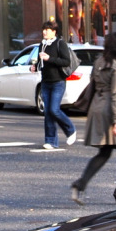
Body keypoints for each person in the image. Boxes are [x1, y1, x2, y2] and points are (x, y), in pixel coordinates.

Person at [70, 31, 116, 205]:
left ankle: (81, 184)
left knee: (105, 151)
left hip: (97, 107)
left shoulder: (99, 62)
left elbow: (94, 84)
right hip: (113, 109)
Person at [32, 19, 78, 150]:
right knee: (48, 112)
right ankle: (50, 141)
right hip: (45, 82)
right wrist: (35, 66)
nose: (44, 32)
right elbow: (41, 61)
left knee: (54, 109)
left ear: (54, 32)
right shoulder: (42, 44)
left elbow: (65, 61)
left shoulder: (60, 43)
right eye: (43, 30)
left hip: (58, 82)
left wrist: (49, 59)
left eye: (47, 30)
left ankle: (70, 130)